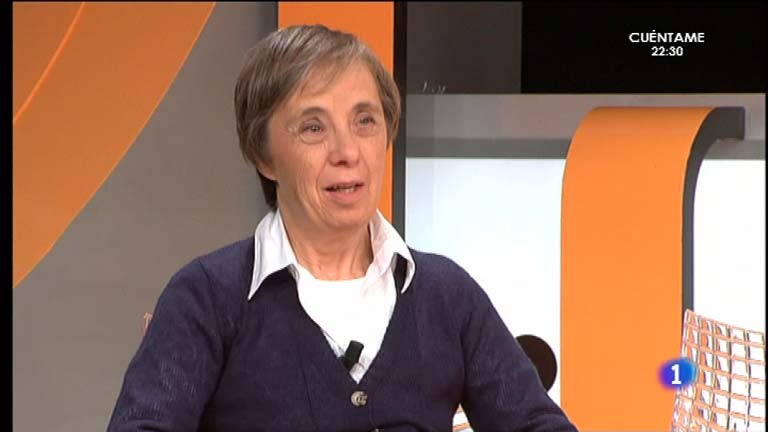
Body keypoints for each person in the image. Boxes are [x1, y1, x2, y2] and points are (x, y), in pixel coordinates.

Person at [107, 24, 578, 432]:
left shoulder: (447, 296)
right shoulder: (207, 297)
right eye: (313, 128)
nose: (347, 152)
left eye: (365, 121)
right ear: (263, 155)